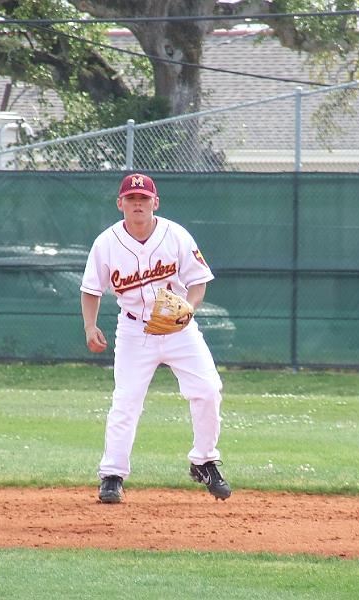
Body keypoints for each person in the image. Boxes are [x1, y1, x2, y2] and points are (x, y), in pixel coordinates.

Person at [80, 173, 231, 503]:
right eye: (131, 199)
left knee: (207, 389)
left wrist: (187, 310)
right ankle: (112, 475)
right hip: (135, 330)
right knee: (126, 400)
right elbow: (91, 290)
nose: (137, 204)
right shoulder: (106, 243)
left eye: (143, 199)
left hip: (178, 328)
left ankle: (204, 461)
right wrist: (90, 327)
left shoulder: (175, 235)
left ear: (155, 203)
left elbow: (198, 282)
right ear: (120, 203)